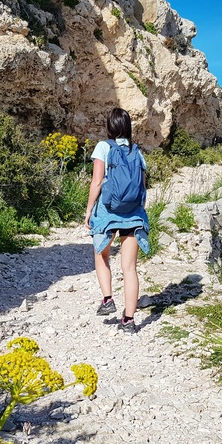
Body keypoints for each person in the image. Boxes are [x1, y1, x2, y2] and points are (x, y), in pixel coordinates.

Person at [85, 107, 150, 333]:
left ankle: (107, 299)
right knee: (130, 268)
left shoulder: (103, 147)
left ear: (110, 127)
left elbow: (97, 182)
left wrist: (88, 210)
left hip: (108, 211)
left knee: (101, 253)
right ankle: (129, 321)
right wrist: (139, 211)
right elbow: (142, 186)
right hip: (133, 214)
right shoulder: (137, 151)